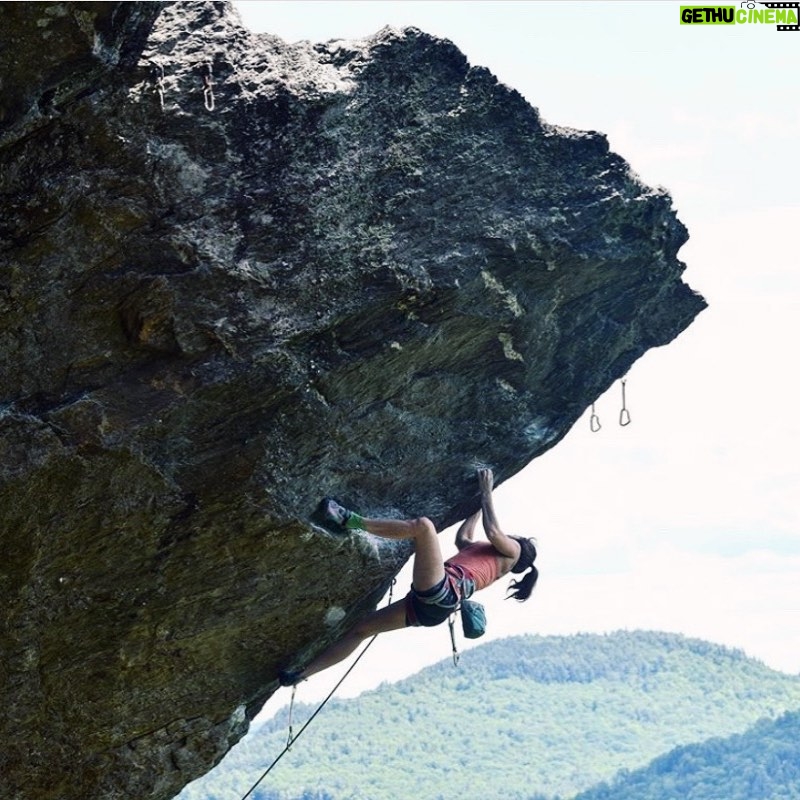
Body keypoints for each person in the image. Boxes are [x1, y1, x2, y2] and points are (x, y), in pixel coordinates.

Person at [278, 468, 538, 686]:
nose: (510, 535)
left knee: (423, 527)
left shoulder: (513, 552)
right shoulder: (489, 556)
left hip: (443, 591)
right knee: (360, 629)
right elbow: (464, 539)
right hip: (434, 609)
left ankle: (350, 521)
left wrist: (487, 491)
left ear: (519, 544)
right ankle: (300, 675)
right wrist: (477, 506)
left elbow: (493, 531)